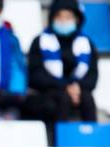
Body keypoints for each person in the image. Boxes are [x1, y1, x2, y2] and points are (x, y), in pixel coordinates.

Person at [23, 0, 98, 128]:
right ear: (52, 18)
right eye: (59, 16)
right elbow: (35, 76)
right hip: (48, 93)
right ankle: (58, 143)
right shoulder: (39, 42)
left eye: (68, 17)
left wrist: (76, 88)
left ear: (77, 20)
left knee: (87, 99)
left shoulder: (87, 43)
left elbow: (92, 77)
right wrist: (65, 86)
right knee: (61, 100)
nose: (63, 21)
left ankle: (92, 142)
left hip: (79, 91)